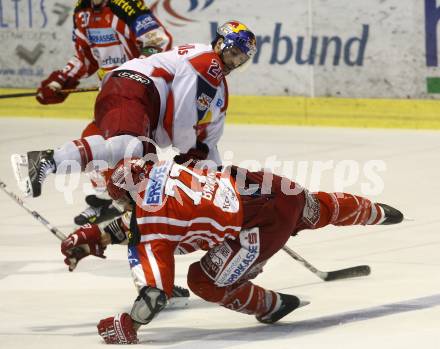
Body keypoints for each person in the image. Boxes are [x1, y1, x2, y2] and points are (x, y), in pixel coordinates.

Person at [60, 157, 404, 344]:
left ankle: (270, 306)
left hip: (259, 227)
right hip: (266, 187)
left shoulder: (151, 228)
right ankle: (376, 211)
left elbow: (153, 296)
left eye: (122, 203)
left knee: (203, 281)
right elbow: (140, 221)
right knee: (312, 206)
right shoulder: (164, 167)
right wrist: (91, 236)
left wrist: (128, 326)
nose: (122, 209)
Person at [12, 20, 257, 225]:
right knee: (130, 148)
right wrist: (189, 152)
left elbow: (209, 142)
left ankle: (114, 217)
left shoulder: (219, 91)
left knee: (142, 177)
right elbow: (179, 121)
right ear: (220, 43)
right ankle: (47, 160)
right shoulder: (207, 63)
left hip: (141, 100)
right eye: (233, 53)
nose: (234, 62)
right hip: (136, 87)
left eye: (240, 58)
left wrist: (217, 181)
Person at [36, 0, 173, 105]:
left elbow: (159, 41)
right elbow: (85, 59)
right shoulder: (81, 11)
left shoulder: (126, 5)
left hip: (141, 94)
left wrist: (131, 74)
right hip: (110, 93)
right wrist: (60, 80)